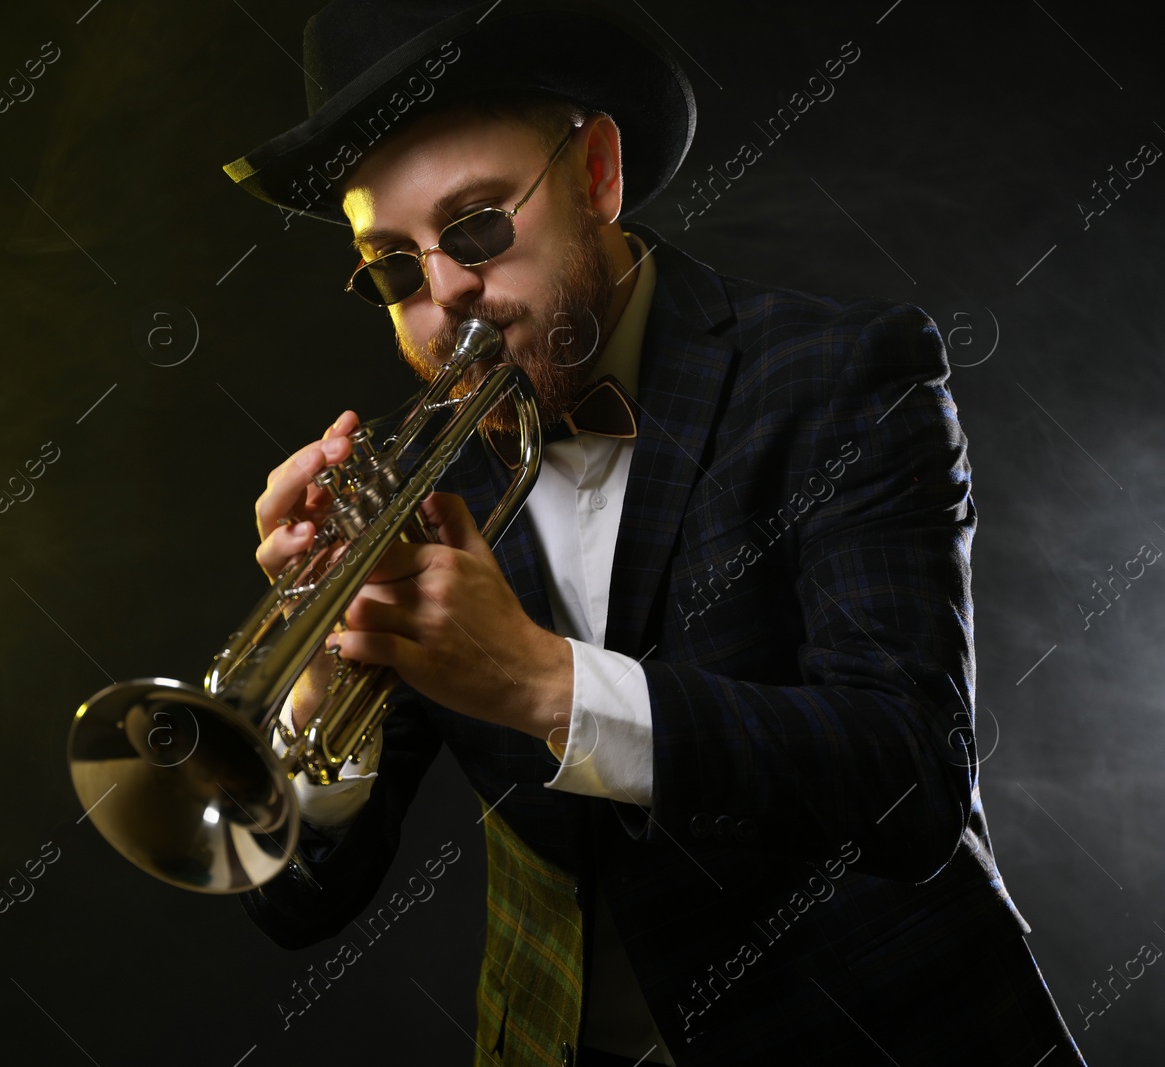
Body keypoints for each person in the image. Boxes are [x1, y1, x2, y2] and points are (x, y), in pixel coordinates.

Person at [223, 2, 1087, 1063]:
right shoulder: (413, 481)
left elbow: (908, 777)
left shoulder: (841, 375)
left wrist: (545, 682)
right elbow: (300, 906)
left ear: (594, 173)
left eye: (478, 226)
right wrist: (315, 679)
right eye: (395, 269)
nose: (444, 292)